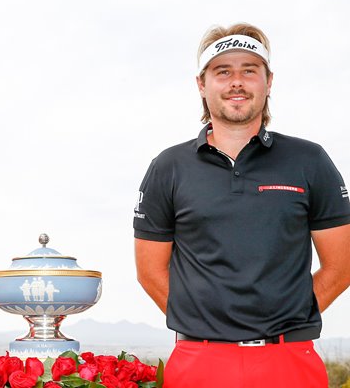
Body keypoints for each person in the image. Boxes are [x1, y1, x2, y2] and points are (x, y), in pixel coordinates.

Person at [133, 23, 350, 388]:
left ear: (268, 81)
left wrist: (285, 318)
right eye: (223, 72)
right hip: (198, 362)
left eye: (249, 70)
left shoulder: (309, 160)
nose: (237, 82)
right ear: (202, 84)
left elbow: (342, 265)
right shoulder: (168, 167)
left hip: (289, 361)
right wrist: (208, 326)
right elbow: (150, 272)